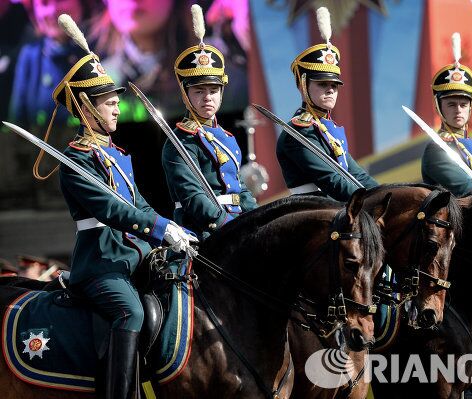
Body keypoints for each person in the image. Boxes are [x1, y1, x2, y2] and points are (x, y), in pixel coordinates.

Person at [35, 14, 196, 398]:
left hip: (133, 256)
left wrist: (173, 230)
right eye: (108, 103)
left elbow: (138, 203)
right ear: (86, 109)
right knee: (132, 312)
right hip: (100, 264)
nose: (116, 110)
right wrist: (158, 229)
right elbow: (113, 211)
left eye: (114, 102)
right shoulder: (75, 161)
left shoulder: (118, 155)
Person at [162, 5, 257, 240]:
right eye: (199, 91)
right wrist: (231, 227)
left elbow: (240, 190)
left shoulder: (227, 137)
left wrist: (259, 220)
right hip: (204, 232)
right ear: (185, 94)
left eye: (214, 90)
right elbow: (194, 199)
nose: (208, 97)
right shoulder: (179, 142)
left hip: (237, 224)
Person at [276, 7, 378, 201]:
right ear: (303, 85)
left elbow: (357, 174)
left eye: (334, 85)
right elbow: (330, 180)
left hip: (335, 210)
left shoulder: (329, 128)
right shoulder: (298, 133)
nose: (330, 90)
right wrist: (369, 201)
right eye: (323, 84)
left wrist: (386, 196)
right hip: (310, 215)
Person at [421, 32, 472, 196]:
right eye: (451, 104)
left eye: (463, 104)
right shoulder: (437, 149)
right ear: (440, 107)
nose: (458, 110)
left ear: (470, 107)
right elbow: (469, 191)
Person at [9, 0, 94, 129]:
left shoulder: (102, 51)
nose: (53, 10)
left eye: (60, 1)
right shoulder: (30, 56)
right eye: (44, 3)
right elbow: (17, 123)